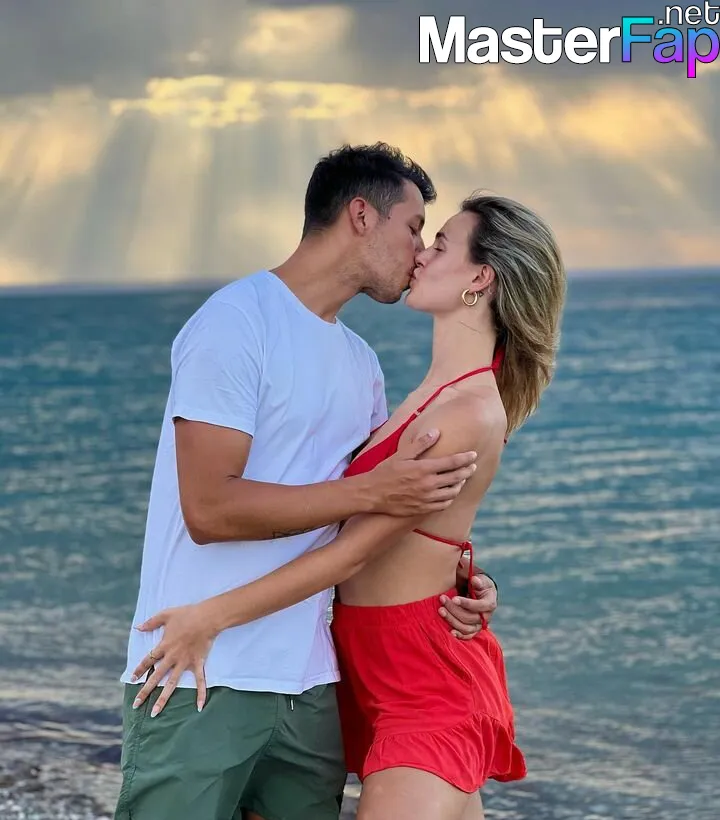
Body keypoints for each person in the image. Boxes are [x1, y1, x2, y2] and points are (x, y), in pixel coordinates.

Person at [128, 192, 566, 820]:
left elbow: (355, 551)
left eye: (439, 243)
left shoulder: (465, 412)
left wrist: (211, 617)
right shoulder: (425, 395)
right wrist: (468, 573)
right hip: (369, 672)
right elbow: (404, 532)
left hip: (420, 681)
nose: (421, 254)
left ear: (480, 279)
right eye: (421, 234)